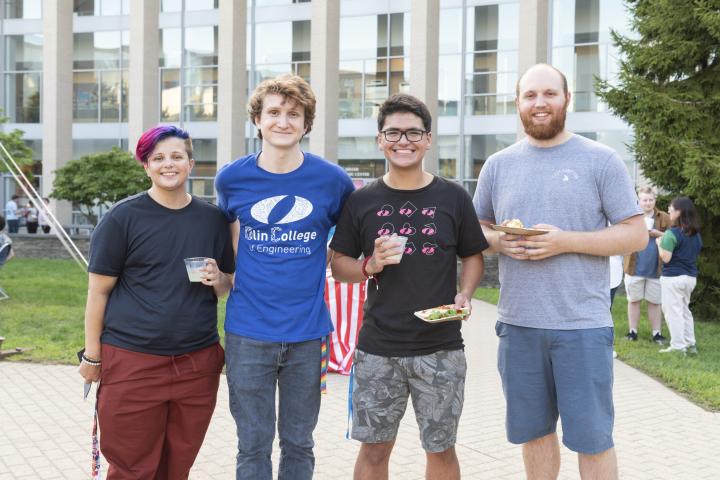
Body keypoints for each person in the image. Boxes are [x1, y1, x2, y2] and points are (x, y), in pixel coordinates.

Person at [472, 63, 647, 480]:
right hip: (518, 325)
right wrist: (501, 241)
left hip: (582, 326)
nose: (540, 103)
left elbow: (635, 234)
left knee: (593, 439)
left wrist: (564, 240)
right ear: (517, 103)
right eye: (530, 95)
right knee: (534, 435)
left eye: (549, 94)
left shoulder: (600, 159)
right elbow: (476, 228)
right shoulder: (498, 165)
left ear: (567, 99)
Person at [330, 93, 487, 480]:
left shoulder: (453, 196)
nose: (404, 141)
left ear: (428, 139)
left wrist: (465, 294)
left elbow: (473, 256)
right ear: (380, 141)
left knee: (442, 448)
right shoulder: (361, 200)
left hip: (442, 347)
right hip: (378, 349)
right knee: (374, 450)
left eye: (413, 132)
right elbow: (339, 266)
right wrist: (370, 264)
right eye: (393, 133)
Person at [214, 74, 354, 480]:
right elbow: (227, 238)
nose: (283, 121)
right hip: (247, 332)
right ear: (257, 119)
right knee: (252, 444)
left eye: (294, 114)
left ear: (306, 124)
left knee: (298, 443)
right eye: (273, 112)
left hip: (308, 335)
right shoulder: (231, 179)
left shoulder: (333, 181)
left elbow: (347, 241)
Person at [78, 125, 235, 479]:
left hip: (197, 363)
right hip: (133, 361)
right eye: (158, 158)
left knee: (177, 466)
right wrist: (92, 357)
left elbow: (226, 285)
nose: (168, 164)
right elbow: (98, 291)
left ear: (191, 163)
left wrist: (219, 279)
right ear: (146, 166)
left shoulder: (213, 219)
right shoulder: (122, 218)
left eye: (177, 156)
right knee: (133, 468)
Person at [623, 186, 670, 343]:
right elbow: (621, 234)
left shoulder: (663, 217)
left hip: (656, 268)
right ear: (639, 200)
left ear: (655, 200)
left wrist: (659, 234)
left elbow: (674, 237)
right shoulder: (632, 216)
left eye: (651, 200)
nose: (648, 203)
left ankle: (656, 333)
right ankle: (632, 332)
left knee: (655, 302)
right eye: (644, 200)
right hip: (634, 267)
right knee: (633, 300)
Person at [657, 197, 702, 355]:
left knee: (673, 312)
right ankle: (690, 345)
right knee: (684, 310)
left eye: (672, 208)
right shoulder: (696, 235)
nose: (669, 209)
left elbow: (666, 258)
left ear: (679, 212)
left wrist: (659, 244)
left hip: (673, 278)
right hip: (690, 278)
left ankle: (677, 346)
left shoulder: (671, 233)